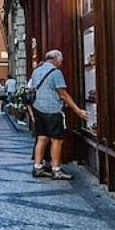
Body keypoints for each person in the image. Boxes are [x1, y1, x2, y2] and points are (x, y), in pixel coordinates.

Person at [27, 49, 89, 180]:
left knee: (42, 138)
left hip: (38, 108)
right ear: (54, 59)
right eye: (60, 60)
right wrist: (78, 111)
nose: (61, 62)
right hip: (52, 110)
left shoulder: (36, 71)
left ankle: (37, 167)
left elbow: (31, 89)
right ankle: (56, 170)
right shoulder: (56, 72)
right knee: (57, 140)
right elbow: (63, 94)